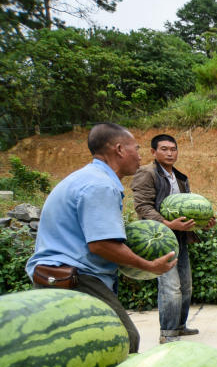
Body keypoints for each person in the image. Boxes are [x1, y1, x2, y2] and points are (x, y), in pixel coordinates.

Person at [26, 123, 176, 352]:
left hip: (57, 275)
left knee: (78, 349)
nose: (139, 155)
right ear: (119, 149)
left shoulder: (86, 177)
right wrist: (148, 265)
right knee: (123, 340)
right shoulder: (101, 185)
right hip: (76, 278)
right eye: (135, 148)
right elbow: (102, 244)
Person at [132, 134, 211, 344]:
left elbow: (188, 207)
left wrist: (204, 221)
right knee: (170, 287)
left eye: (173, 149)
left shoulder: (180, 177)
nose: (170, 153)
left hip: (180, 238)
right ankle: (167, 332)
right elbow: (142, 207)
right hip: (160, 238)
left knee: (186, 286)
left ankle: (180, 326)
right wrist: (168, 224)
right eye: (164, 149)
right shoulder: (146, 173)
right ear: (153, 152)